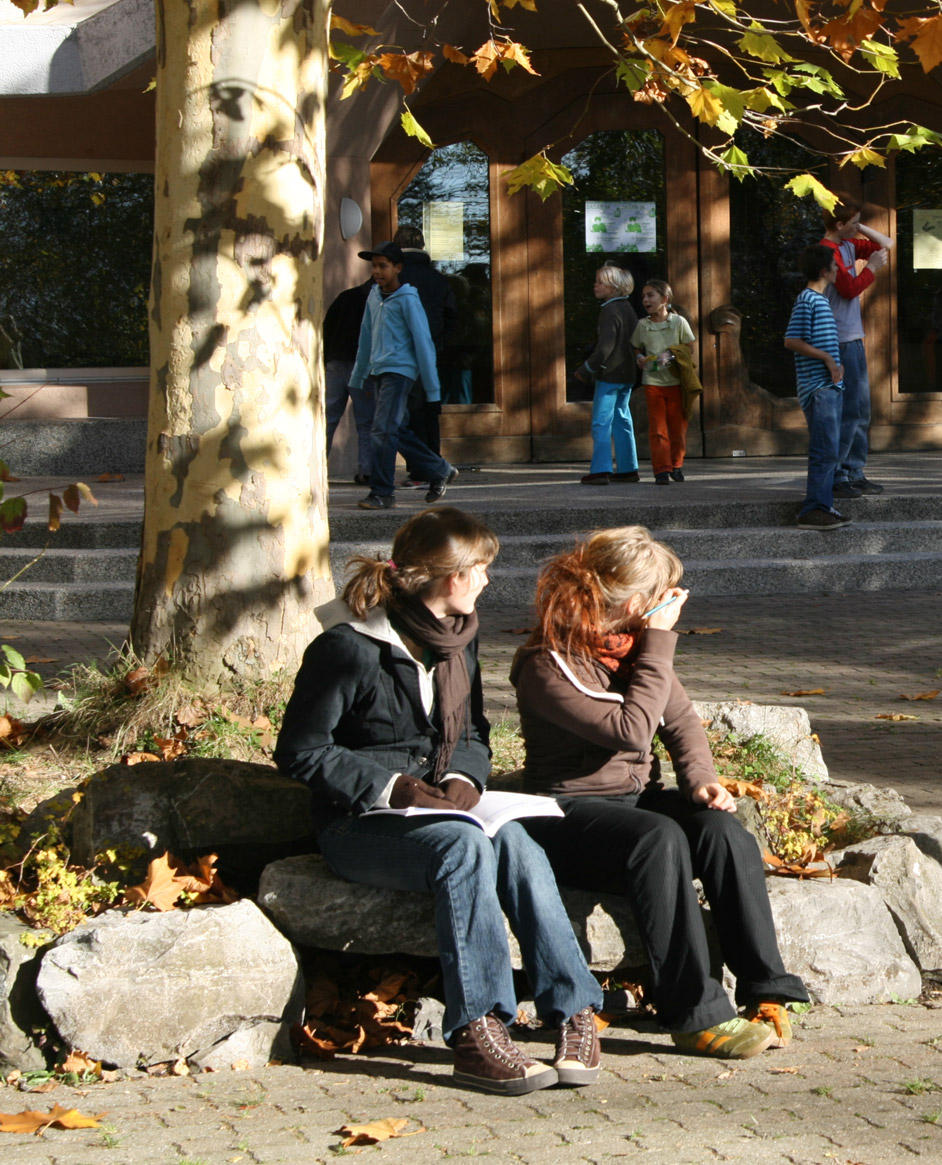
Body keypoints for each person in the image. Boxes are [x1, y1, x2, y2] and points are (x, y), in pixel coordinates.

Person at [275, 508, 602, 1095]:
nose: (486, 581)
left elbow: (473, 733)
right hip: (360, 823)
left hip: (441, 806)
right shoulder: (349, 649)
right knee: (463, 846)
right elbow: (301, 750)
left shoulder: (457, 643)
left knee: (518, 842)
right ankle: (479, 1032)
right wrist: (393, 788)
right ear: (450, 577)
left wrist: (467, 783)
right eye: (480, 569)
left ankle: (574, 1013)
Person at [511, 527, 810, 1059]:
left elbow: (681, 723)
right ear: (633, 602)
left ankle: (768, 989)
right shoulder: (546, 662)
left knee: (724, 834)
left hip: (635, 802)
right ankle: (695, 1015)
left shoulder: (633, 650)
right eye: (663, 596)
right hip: (565, 812)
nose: (671, 607)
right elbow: (630, 728)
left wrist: (700, 781)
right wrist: (661, 642)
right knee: (658, 837)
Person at [351, 244, 455, 510]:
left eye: (383, 266)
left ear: (398, 268)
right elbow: (365, 336)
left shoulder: (408, 298)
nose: (377, 271)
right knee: (391, 429)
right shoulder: (374, 296)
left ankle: (382, 492)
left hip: (400, 371)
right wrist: (358, 374)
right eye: (374, 266)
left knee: (381, 430)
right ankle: (439, 468)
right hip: (378, 370)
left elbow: (423, 342)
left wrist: (432, 389)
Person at [819, 196, 890, 500]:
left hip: (853, 337)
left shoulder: (849, 244)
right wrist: (871, 269)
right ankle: (837, 474)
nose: (858, 229)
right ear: (838, 225)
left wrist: (860, 225)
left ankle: (854, 470)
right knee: (847, 411)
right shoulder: (827, 251)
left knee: (860, 410)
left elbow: (885, 243)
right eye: (853, 223)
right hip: (838, 339)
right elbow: (848, 289)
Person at [784, 245, 849, 530]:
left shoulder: (820, 301)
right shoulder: (808, 299)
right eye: (834, 266)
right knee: (824, 449)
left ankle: (825, 505)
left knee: (830, 449)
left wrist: (836, 363)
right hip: (817, 388)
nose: (838, 270)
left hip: (829, 386)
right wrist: (826, 358)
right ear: (823, 271)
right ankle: (814, 509)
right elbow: (792, 340)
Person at [391, 227, 457, 459]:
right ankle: (432, 464)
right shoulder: (438, 279)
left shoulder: (392, 276)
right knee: (428, 410)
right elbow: (451, 316)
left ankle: (420, 468)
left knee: (398, 415)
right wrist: (438, 344)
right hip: (429, 352)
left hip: (398, 354)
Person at [576, 264, 641, 486]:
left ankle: (600, 469)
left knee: (601, 422)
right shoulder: (628, 308)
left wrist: (586, 368)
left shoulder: (609, 311)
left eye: (600, 282)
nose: (595, 285)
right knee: (623, 419)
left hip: (609, 375)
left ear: (613, 288)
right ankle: (628, 467)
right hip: (628, 374)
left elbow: (605, 348)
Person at [632, 279, 696, 485]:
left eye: (650, 295)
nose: (645, 300)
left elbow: (689, 346)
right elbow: (636, 347)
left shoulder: (678, 322)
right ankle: (661, 469)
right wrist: (639, 358)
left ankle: (676, 465)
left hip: (677, 382)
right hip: (652, 382)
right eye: (644, 296)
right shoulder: (643, 325)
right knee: (658, 429)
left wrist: (671, 357)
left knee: (678, 428)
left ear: (664, 299)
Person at [324, 273, 374, 468]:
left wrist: (326, 358)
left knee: (328, 417)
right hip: (362, 364)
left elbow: (326, 329)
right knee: (366, 421)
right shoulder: (377, 301)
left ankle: (318, 467)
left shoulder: (345, 297)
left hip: (335, 361)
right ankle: (366, 469)